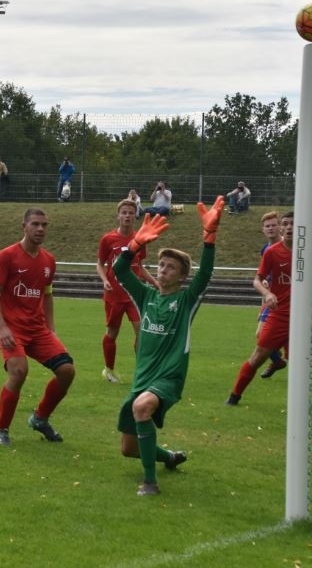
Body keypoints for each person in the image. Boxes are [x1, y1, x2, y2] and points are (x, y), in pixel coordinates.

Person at [114, 197, 225, 496]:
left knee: (141, 407)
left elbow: (205, 275)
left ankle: (150, 483)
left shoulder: (186, 300)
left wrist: (209, 237)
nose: (163, 270)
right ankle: (170, 458)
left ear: (182, 276)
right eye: (161, 264)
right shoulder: (146, 296)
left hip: (169, 377)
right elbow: (119, 270)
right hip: (143, 377)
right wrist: (135, 244)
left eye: (171, 267)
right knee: (129, 448)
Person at [225, 212, 312, 414]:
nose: (289, 227)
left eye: (294, 223)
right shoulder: (272, 252)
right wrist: (267, 293)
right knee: (258, 357)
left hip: (309, 313)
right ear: (281, 228)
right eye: (285, 224)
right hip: (280, 314)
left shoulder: (310, 250)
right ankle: (234, 397)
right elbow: (257, 280)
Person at [0, 208, 75, 446]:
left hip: (38, 330)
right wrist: (2, 327)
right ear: (24, 226)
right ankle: (1, 430)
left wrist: (51, 329)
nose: (40, 229)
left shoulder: (49, 260)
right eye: (35, 224)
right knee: (18, 371)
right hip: (12, 328)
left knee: (67, 371)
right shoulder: (7, 256)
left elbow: (47, 294)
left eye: (44, 225)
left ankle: (40, 418)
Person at [96, 199, 158, 383]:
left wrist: (154, 282)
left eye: (131, 212)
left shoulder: (140, 238)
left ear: (135, 216)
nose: (127, 216)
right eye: (124, 212)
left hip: (134, 295)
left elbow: (140, 266)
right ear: (118, 216)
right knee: (112, 333)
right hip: (114, 295)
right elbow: (99, 264)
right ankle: (109, 370)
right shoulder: (108, 239)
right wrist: (105, 280)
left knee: (142, 331)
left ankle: (142, 371)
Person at [256, 211, 287, 379]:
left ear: (280, 227)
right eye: (267, 226)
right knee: (260, 335)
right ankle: (277, 361)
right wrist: (263, 303)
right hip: (273, 300)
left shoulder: (289, 245)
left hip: (288, 299)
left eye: (274, 225)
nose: (270, 228)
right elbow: (263, 277)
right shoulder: (265, 249)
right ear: (263, 229)